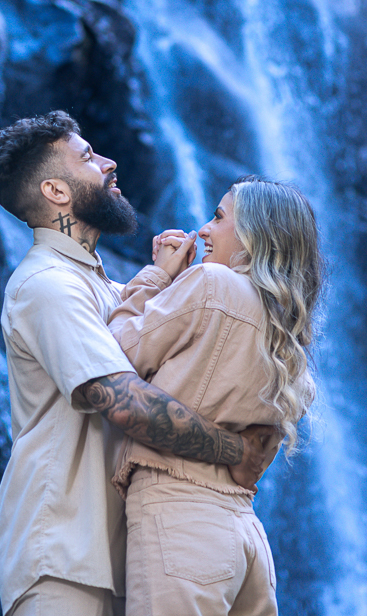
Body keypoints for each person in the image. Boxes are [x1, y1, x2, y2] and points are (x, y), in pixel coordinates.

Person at [0, 112, 277, 616]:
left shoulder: (105, 287)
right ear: (55, 191)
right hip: (66, 555)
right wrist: (234, 450)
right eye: (88, 157)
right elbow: (122, 401)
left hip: (138, 550)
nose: (109, 162)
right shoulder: (47, 284)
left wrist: (168, 279)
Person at [108, 176, 323, 616]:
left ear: (255, 236)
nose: (203, 229)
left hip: (181, 521)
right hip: (245, 539)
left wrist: (157, 276)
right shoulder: (288, 338)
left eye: (219, 217)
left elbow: (110, 355)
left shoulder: (211, 284)